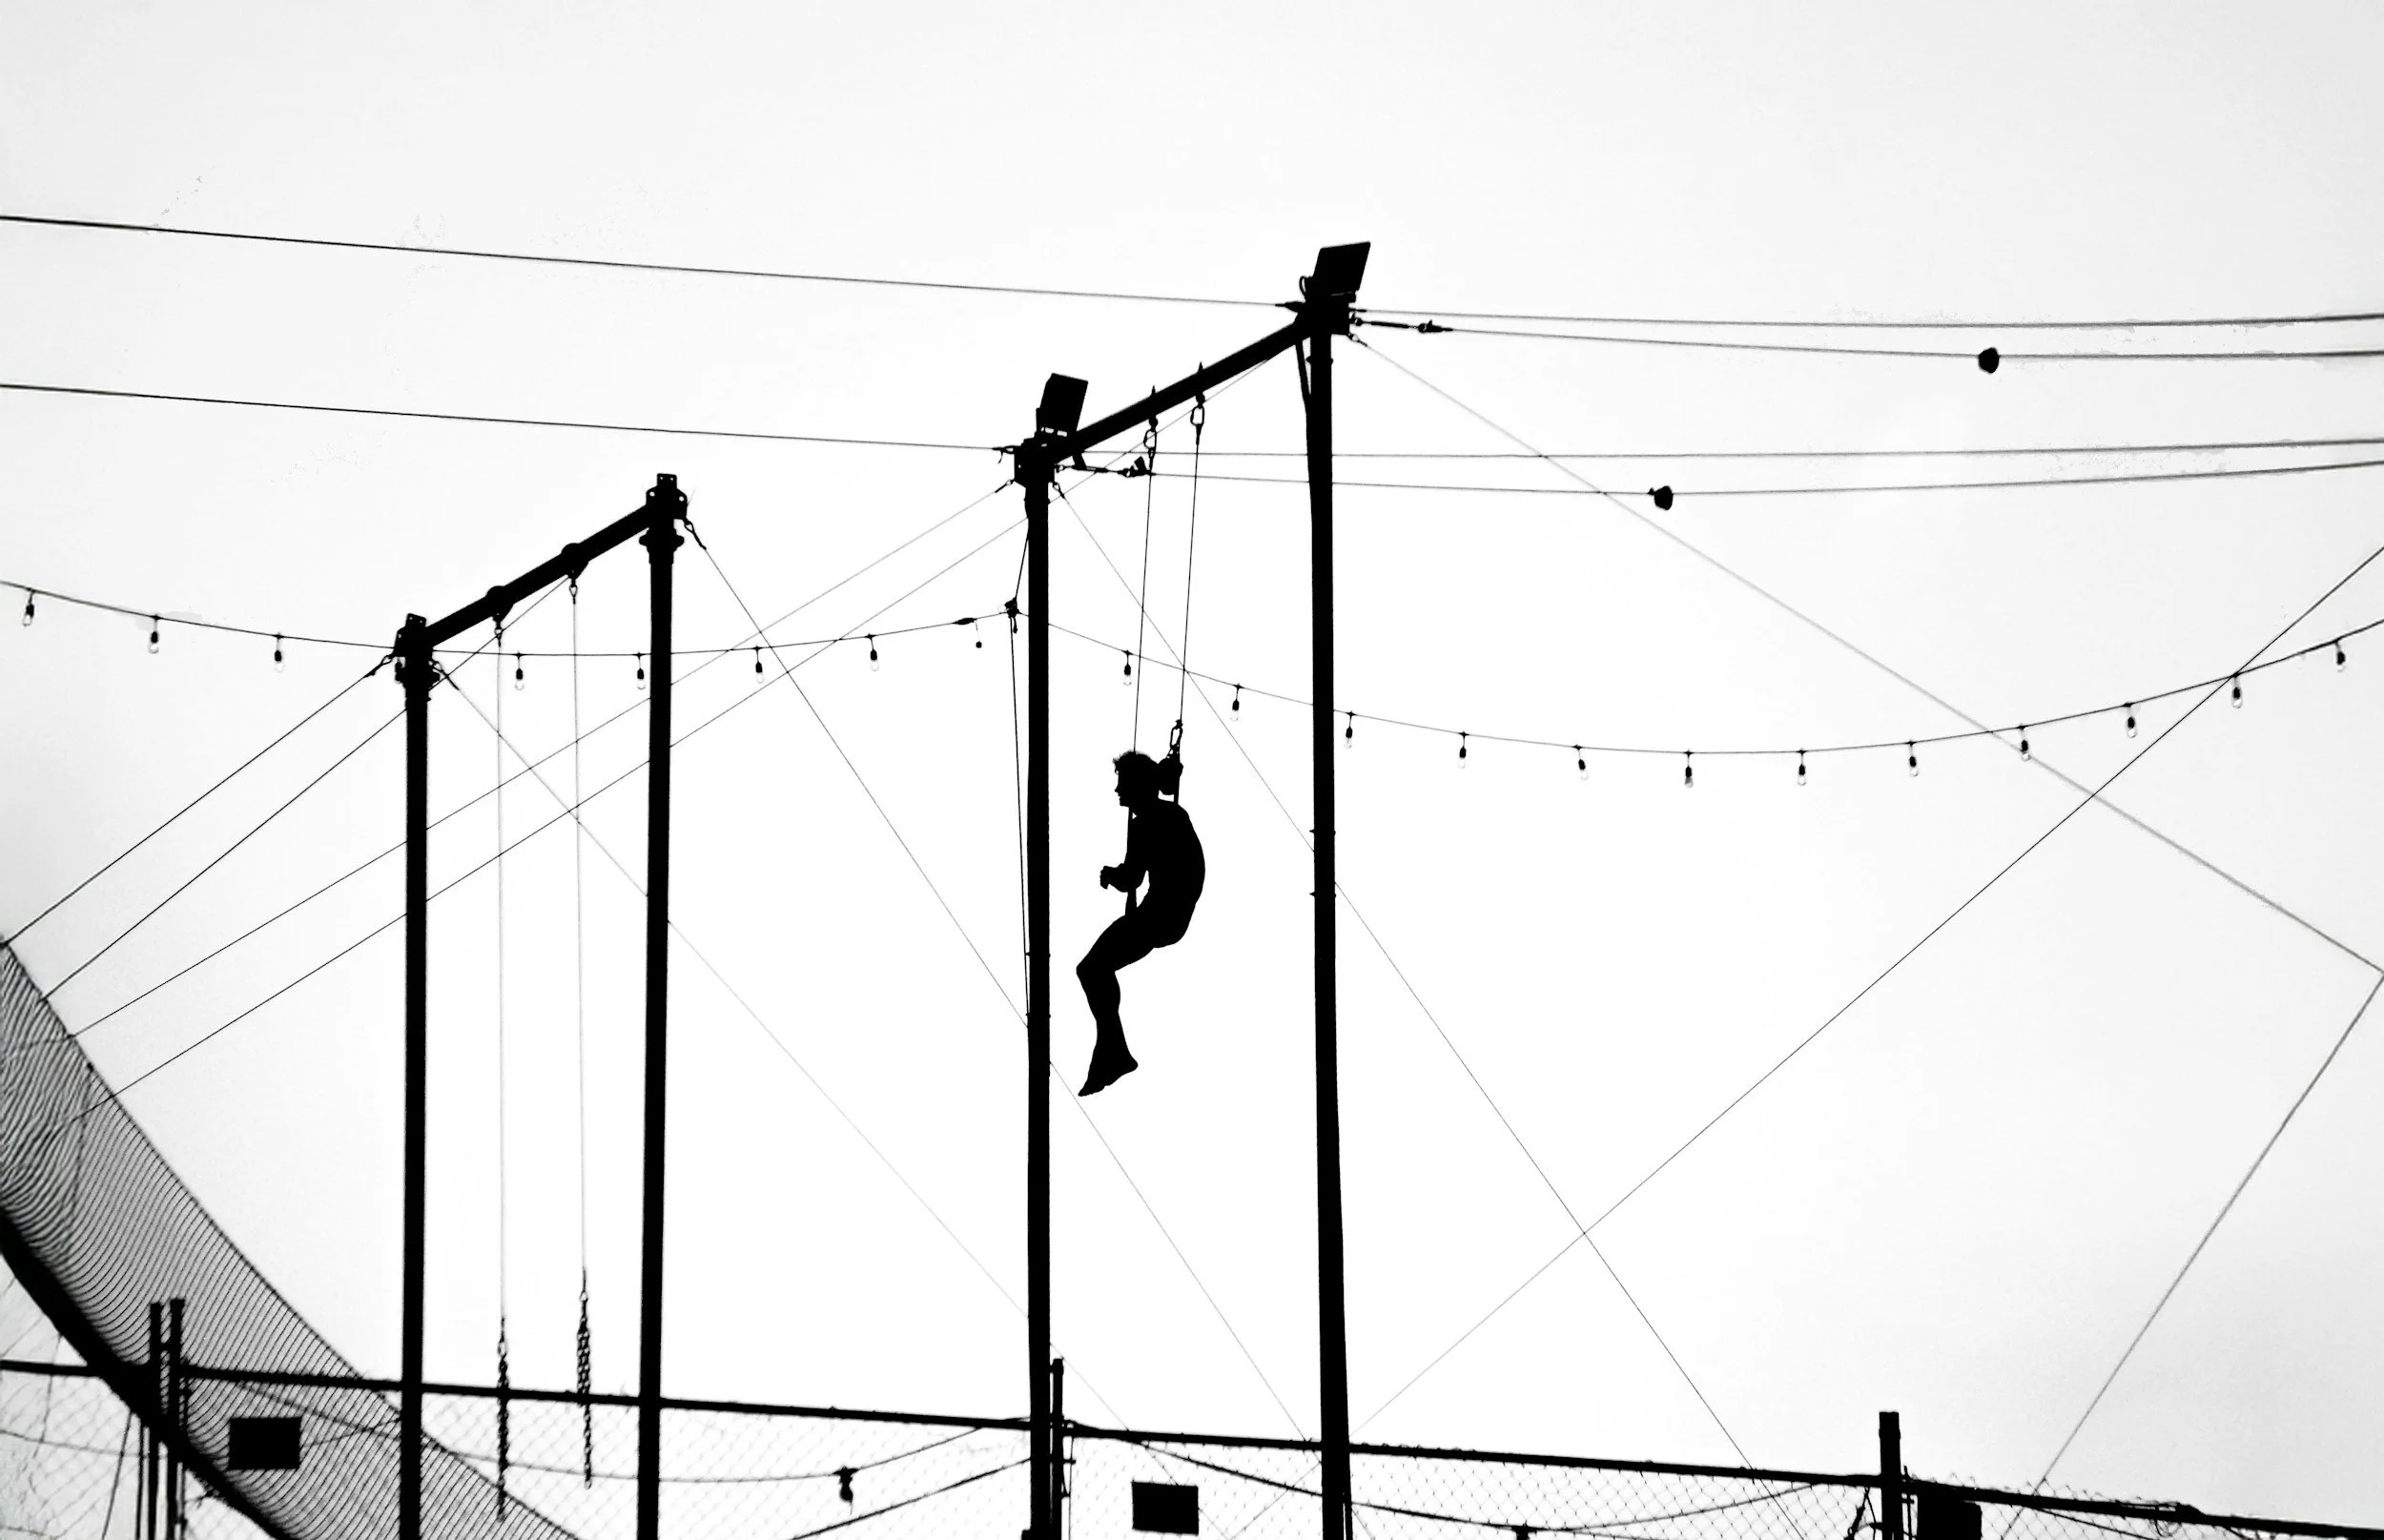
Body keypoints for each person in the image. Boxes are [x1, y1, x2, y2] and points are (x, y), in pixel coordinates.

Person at [1076, 749, 1204, 1095]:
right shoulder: (1170, 815)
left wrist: (1111, 875)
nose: (1118, 791)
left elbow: (1131, 877)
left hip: (1159, 916)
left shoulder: (1149, 822)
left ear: (1137, 785)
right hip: (1166, 915)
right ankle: (1113, 1050)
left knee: (1091, 969)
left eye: (1122, 783)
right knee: (1094, 969)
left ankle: (1114, 1051)